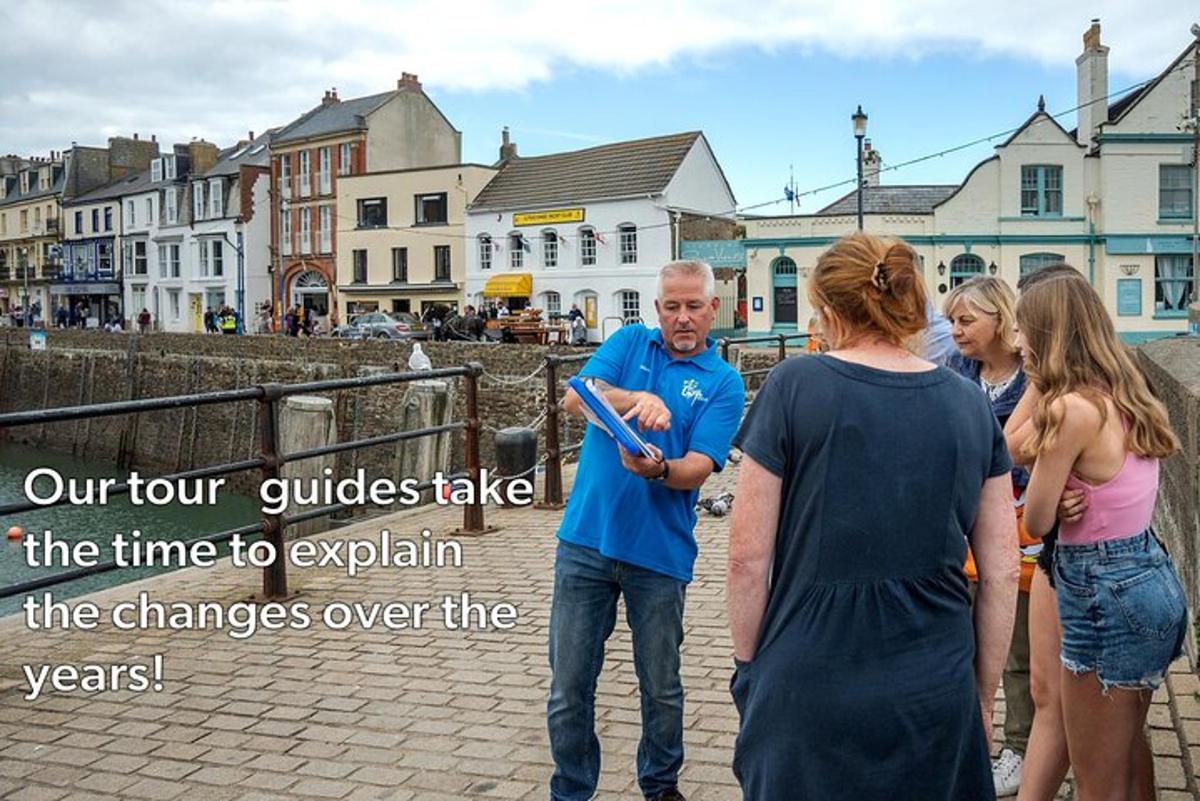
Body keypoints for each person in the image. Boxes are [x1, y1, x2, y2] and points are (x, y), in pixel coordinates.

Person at [728, 232, 1019, 800]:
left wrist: (748, 668)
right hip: (935, 677)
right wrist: (981, 697)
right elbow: (1003, 570)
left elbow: (746, 559)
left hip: (809, 671)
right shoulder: (969, 403)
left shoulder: (793, 385)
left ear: (830, 311)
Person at [549, 259, 745, 801]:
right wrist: (637, 400)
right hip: (584, 542)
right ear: (657, 309)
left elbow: (698, 471)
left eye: (694, 307)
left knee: (660, 687)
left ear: (713, 310)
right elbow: (575, 396)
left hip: (658, 554)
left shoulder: (724, 383)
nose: (682, 318)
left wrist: (658, 469)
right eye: (672, 307)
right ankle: (570, 791)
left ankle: (659, 787)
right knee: (568, 687)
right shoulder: (630, 342)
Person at [1010, 269, 1184, 801]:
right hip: (1151, 578)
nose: (1017, 342)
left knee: (1098, 782)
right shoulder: (1130, 391)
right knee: (1128, 751)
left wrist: (1052, 492)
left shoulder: (1068, 409)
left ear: (1046, 335)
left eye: (1022, 329)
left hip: (1102, 594)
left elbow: (1035, 522)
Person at [944, 276, 1039, 797]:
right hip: (961, 539)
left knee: (1018, 654)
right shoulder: (954, 375)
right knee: (963, 643)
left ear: (1000, 321)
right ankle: (967, 742)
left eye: (966, 321)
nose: (955, 331)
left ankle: (1020, 748)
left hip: (1018, 539)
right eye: (952, 320)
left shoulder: (1033, 382)